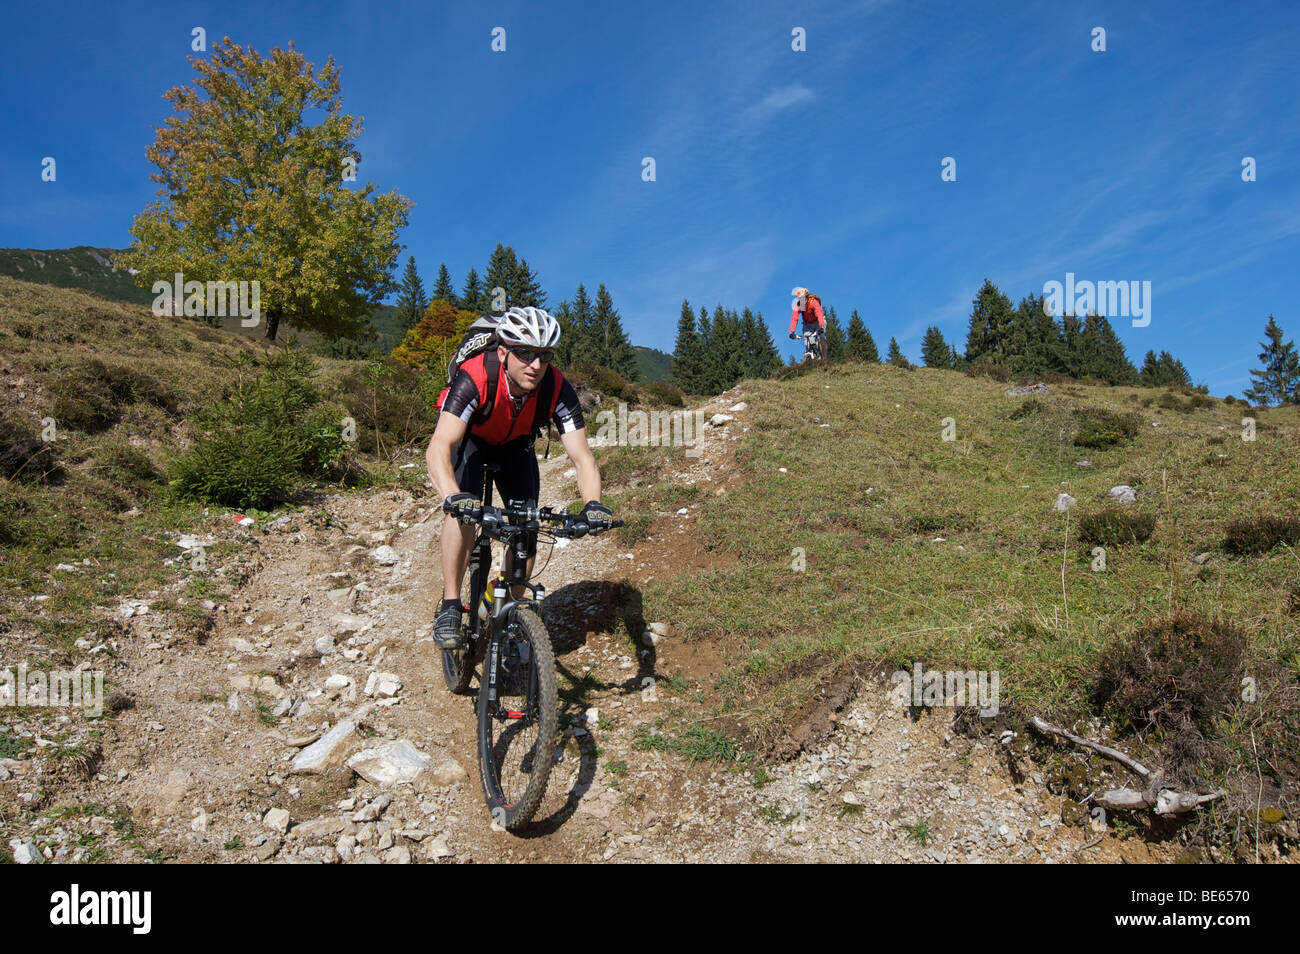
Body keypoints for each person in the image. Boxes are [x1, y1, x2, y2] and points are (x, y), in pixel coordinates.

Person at [425, 306, 612, 649]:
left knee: (527, 528)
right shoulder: (476, 376)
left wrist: (593, 504)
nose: (535, 365)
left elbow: (582, 457)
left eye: (543, 356)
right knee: (463, 512)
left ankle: (508, 610)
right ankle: (451, 605)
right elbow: (440, 446)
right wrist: (452, 496)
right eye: (524, 354)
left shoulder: (556, 387)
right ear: (502, 351)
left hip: (515, 446)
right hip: (471, 441)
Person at [789, 287, 827, 361]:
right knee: (807, 341)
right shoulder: (799, 305)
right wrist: (792, 332)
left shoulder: (813, 302)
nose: (801, 300)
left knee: (821, 337)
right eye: (800, 299)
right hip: (807, 324)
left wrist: (822, 327)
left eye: (803, 298)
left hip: (818, 322)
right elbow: (794, 318)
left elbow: (819, 314)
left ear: (806, 297)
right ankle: (810, 359)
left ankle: (825, 360)